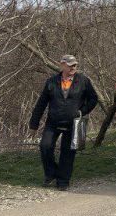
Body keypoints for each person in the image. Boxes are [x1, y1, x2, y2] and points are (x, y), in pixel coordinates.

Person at [29, 55, 98, 191]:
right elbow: (41, 104)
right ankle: (51, 174)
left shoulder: (83, 81)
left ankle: (63, 181)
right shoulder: (51, 82)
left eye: (75, 65)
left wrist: (82, 111)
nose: (73, 67)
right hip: (53, 122)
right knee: (45, 146)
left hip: (73, 123)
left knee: (68, 152)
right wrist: (33, 125)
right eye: (70, 65)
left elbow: (93, 99)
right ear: (62, 65)